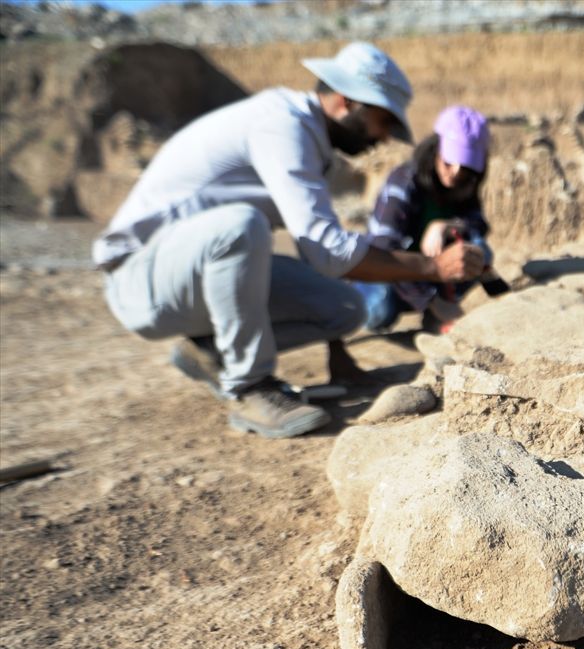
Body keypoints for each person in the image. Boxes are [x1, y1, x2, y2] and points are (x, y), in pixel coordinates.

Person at [93, 42, 485, 439]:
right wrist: (433, 267)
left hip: (188, 276)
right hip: (139, 280)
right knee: (241, 226)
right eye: (382, 120)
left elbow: (320, 254)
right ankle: (249, 387)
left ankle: (209, 351)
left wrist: (339, 356)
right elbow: (328, 250)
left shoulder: (310, 141)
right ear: (348, 102)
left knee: (345, 307)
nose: (384, 137)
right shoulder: (281, 124)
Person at [351, 104, 507, 337]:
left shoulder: (464, 184)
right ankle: (353, 294)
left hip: (431, 273)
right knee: (379, 312)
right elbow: (384, 251)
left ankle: (436, 310)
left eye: (466, 166)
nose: (456, 172)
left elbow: (478, 225)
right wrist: (433, 301)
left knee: (478, 250)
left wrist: (447, 226)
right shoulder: (403, 182)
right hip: (389, 274)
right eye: (449, 162)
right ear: (435, 149)